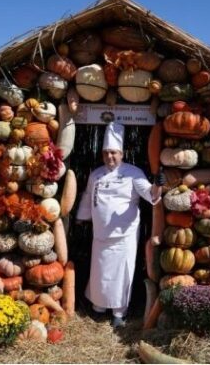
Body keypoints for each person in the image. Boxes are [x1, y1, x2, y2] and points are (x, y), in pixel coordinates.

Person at [76, 122, 165, 328]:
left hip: (124, 237)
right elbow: (89, 196)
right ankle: (98, 307)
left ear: (122, 153)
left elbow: (149, 194)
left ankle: (119, 313)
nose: (110, 157)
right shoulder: (95, 174)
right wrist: (82, 217)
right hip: (100, 234)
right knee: (99, 272)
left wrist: (158, 185)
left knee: (121, 274)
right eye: (106, 153)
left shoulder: (133, 173)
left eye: (114, 153)